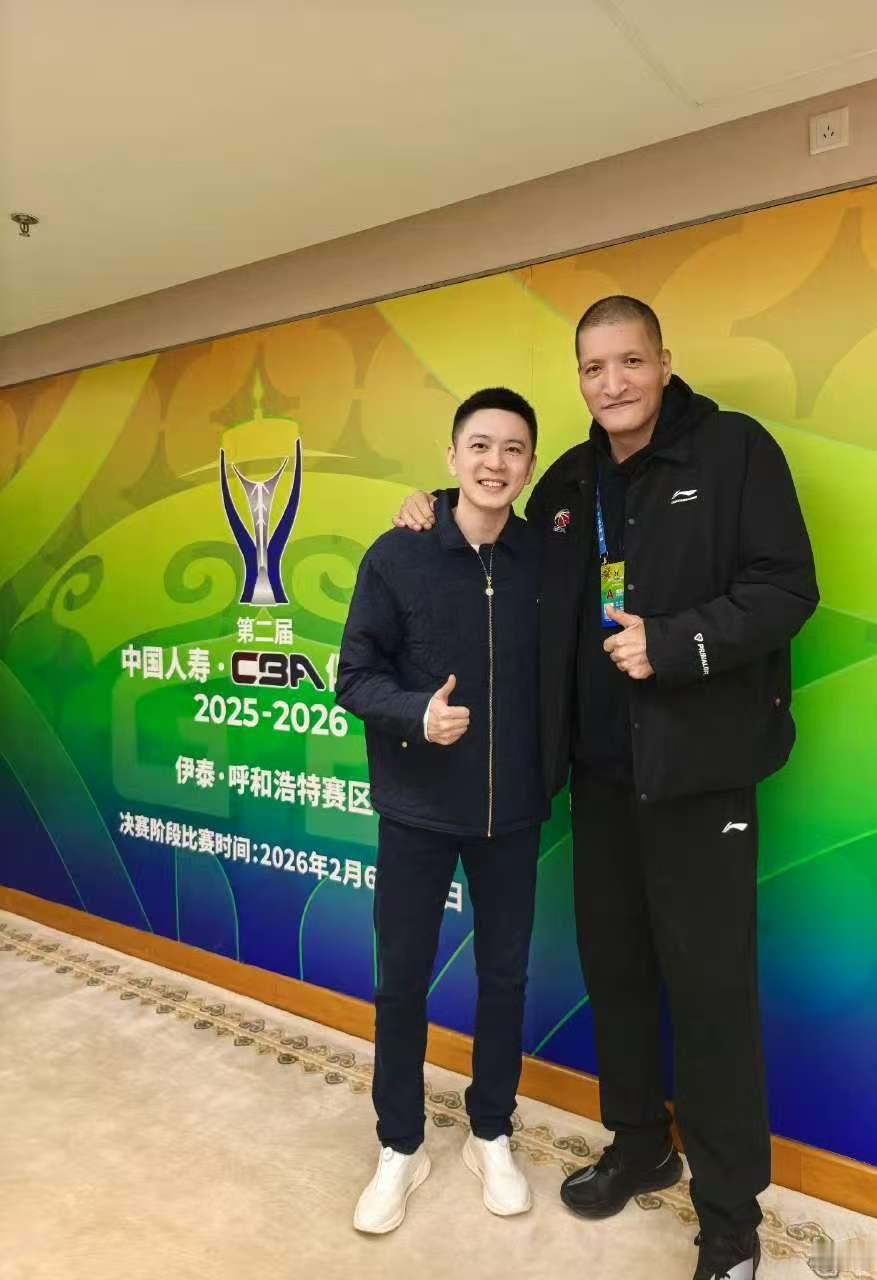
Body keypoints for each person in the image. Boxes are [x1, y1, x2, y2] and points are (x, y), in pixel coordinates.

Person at [393, 296, 819, 1280]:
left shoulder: (733, 451)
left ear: (664, 361)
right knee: (617, 973)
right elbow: (500, 531)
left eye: (630, 361)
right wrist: (431, 505)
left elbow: (786, 587)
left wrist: (675, 641)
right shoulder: (572, 480)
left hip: (700, 776)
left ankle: (729, 1216)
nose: (613, 382)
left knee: (709, 992)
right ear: (579, 378)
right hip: (599, 778)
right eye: (594, 367)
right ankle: (639, 1143)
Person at [337, 386, 547, 1235]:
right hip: (418, 806)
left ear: (530, 465)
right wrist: (416, 714)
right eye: (480, 446)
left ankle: (491, 1131)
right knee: (401, 981)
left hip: (514, 810)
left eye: (513, 449)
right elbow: (354, 676)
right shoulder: (399, 553)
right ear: (453, 456)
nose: (496, 463)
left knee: (505, 977)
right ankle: (401, 1145)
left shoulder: (547, 559)